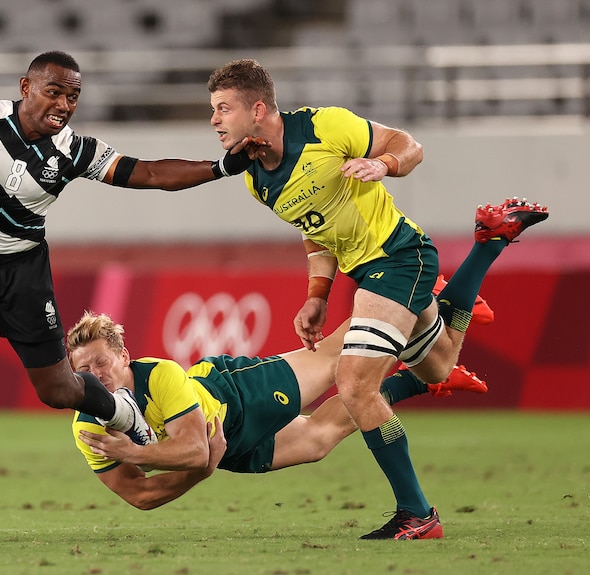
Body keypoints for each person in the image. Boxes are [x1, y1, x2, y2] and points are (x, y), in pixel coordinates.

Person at [0, 51, 266, 545]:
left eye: (74, 95)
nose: (64, 103)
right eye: (54, 91)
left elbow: (147, 173)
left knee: (58, 392)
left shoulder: (76, 150)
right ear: (26, 86)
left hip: (24, 272)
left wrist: (220, 167)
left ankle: (122, 411)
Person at [205, 59, 549, 540]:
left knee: (354, 385)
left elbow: (410, 146)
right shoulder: (256, 178)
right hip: (368, 272)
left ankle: (417, 514)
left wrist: (381, 164)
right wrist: (316, 295)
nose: (215, 119)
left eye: (224, 108)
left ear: (257, 108)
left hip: (399, 257)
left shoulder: (324, 126)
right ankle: (487, 246)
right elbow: (316, 232)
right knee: (440, 368)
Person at [67, 311, 487, 512]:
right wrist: (201, 470)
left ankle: (412, 297)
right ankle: (420, 380)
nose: (95, 376)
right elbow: (141, 495)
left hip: (236, 394)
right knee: (320, 439)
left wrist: (136, 454)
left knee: (328, 362)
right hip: (228, 449)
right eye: (83, 371)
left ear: (124, 356)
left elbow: (194, 449)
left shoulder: (159, 374)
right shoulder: (86, 426)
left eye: (101, 362)